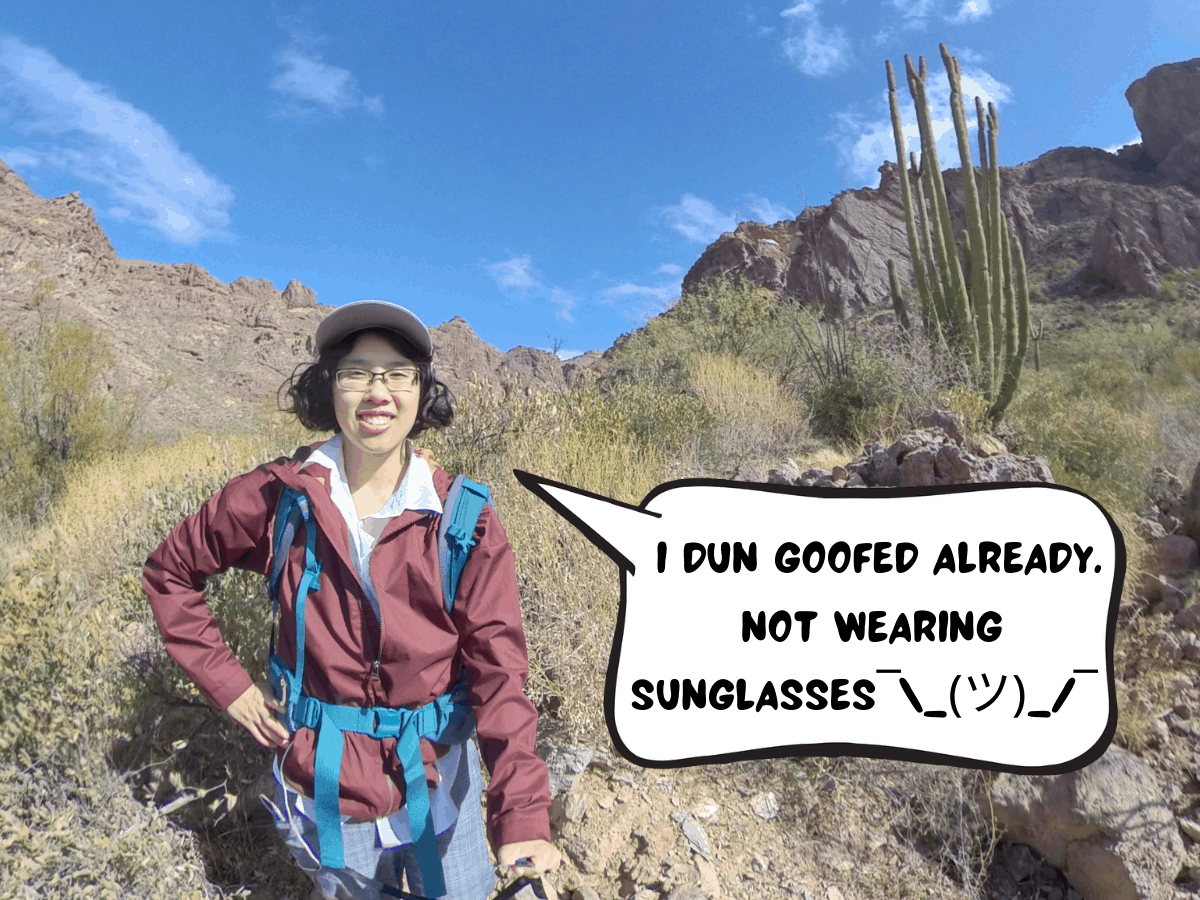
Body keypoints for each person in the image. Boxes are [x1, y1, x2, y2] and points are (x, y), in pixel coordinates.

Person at [143, 299, 561, 900]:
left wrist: (521, 816)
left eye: (397, 374)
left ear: (422, 393)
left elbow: (500, 674)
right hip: (323, 782)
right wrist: (228, 685)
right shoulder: (277, 497)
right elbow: (170, 573)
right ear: (329, 388)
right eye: (357, 372)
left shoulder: (463, 519)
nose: (377, 392)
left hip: (440, 776)